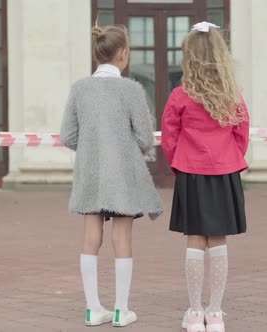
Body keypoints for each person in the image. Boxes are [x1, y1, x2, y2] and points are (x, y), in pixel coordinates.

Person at [60, 24, 163, 327]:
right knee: (122, 238)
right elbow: (145, 138)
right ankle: (121, 309)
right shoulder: (131, 89)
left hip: (90, 173)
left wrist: (92, 147)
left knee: (91, 238)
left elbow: (68, 135)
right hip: (123, 174)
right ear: (123, 53)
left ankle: (93, 309)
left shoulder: (79, 88)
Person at [161, 21, 250, 332]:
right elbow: (241, 133)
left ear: (190, 57)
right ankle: (215, 313)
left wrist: (178, 162)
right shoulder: (232, 93)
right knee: (219, 239)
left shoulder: (180, 95)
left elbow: (169, 136)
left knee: (195, 239)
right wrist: (230, 157)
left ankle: (195, 313)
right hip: (224, 170)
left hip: (191, 171)